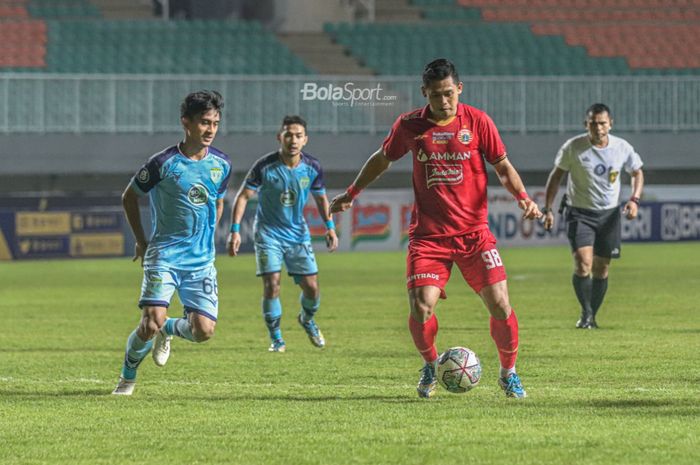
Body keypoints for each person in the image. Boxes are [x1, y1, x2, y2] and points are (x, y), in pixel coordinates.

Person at [329, 58, 541, 399]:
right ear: (424, 93)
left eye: (448, 94)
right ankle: (430, 364)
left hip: (474, 235)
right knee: (421, 306)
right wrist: (352, 193)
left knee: (500, 303)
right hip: (429, 238)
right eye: (435, 96)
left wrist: (523, 198)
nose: (443, 102)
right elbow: (382, 158)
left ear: (459, 88)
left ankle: (508, 372)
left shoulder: (478, 121)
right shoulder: (409, 125)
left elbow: (502, 166)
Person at [112, 90, 231, 395]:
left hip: (201, 262)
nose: (211, 130)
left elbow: (218, 200)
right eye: (205, 122)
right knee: (149, 322)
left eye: (215, 123)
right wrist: (141, 240)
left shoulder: (222, 164)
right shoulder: (162, 163)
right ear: (186, 123)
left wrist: (210, 230)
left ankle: (169, 329)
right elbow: (129, 197)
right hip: (164, 255)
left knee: (204, 331)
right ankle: (127, 378)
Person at [227, 115, 338, 353]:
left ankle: (307, 320)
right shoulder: (264, 166)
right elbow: (243, 196)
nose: (293, 140)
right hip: (268, 234)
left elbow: (321, 199)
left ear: (305, 140)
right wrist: (235, 231)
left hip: (298, 234)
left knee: (312, 288)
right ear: (280, 137)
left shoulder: (313, 167)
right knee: (272, 285)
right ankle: (276, 338)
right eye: (288, 134)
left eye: (298, 135)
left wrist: (330, 227)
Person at [543, 103, 644, 329]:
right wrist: (548, 208)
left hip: (609, 215)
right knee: (583, 264)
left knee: (602, 268)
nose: (598, 128)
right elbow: (556, 176)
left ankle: (591, 315)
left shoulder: (622, 147)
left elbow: (637, 172)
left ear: (610, 124)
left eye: (602, 123)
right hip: (579, 213)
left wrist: (634, 199)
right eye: (593, 123)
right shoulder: (573, 147)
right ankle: (586, 313)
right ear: (586, 124)